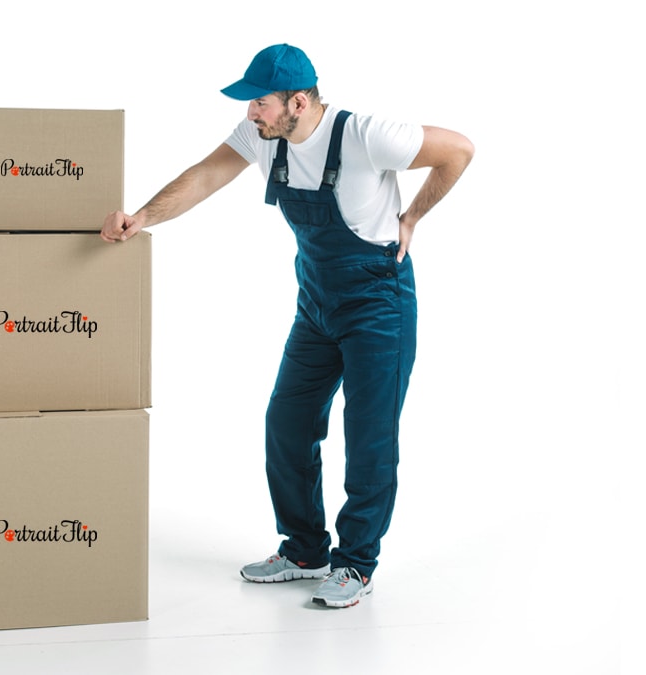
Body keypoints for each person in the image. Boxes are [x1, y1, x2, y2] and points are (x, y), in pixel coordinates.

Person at [101, 43, 474, 608]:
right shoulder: (262, 138)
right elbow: (205, 176)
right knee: (288, 422)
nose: (251, 113)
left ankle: (355, 565)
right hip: (317, 304)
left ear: (298, 102)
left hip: (379, 302)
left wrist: (413, 215)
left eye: (261, 103)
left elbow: (459, 150)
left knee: (370, 437)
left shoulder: (368, 134)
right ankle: (304, 550)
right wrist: (143, 216)